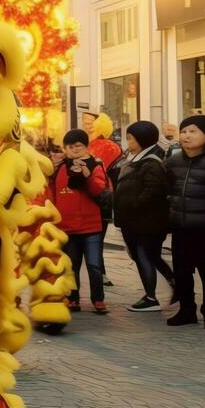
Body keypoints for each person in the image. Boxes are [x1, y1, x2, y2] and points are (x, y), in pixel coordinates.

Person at [165, 114, 205, 329]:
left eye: (193, 131)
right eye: (183, 131)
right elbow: (166, 190)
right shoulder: (173, 161)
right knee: (182, 271)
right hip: (180, 226)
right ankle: (186, 311)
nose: (186, 136)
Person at [113, 120, 174, 311]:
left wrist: (133, 204)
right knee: (150, 256)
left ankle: (151, 297)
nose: (128, 142)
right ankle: (175, 283)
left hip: (146, 221)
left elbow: (153, 191)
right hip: (134, 220)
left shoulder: (152, 162)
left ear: (142, 140)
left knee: (144, 255)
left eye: (131, 139)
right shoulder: (135, 158)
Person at [52, 129, 109, 313]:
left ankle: (98, 299)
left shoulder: (95, 165)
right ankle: (73, 298)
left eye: (78, 146)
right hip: (67, 226)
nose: (74, 149)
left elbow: (100, 191)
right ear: (64, 148)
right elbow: (51, 191)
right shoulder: (60, 166)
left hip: (91, 226)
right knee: (71, 266)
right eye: (70, 146)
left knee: (94, 264)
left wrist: (87, 175)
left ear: (86, 147)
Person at [83, 111, 122, 287]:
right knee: (94, 239)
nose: (87, 124)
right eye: (85, 121)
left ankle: (100, 275)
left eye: (91, 121)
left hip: (100, 197)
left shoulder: (107, 147)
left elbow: (99, 173)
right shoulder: (86, 144)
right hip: (91, 196)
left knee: (96, 239)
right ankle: (100, 274)